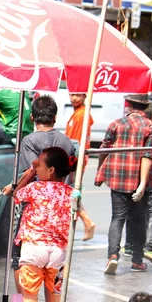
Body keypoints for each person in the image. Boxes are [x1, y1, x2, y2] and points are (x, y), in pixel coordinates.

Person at [2, 95, 75, 302]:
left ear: (32, 117)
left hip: (34, 211)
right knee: (54, 281)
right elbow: (70, 176)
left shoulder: (29, 140)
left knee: (19, 261)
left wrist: (15, 187)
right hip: (60, 212)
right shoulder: (66, 141)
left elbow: (31, 171)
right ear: (55, 117)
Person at [13, 147, 76, 302]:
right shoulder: (71, 193)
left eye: (40, 164)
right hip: (58, 254)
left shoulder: (36, 188)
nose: (37, 166)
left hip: (34, 249)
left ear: (50, 171)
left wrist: (29, 173)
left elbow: (16, 195)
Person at [96, 94, 152, 275]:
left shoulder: (116, 124)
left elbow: (104, 149)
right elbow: (147, 155)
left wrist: (100, 172)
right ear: (146, 107)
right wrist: (142, 184)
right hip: (140, 181)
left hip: (118, 178)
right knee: (139, 221)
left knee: (117, 218)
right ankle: (137, 261)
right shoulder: (150, 126)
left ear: (128, 104)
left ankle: (113, 256)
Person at [122, 103, 152, 266]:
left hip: (128, 178)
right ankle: (147, 247)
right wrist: (149, 160)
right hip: (147, 181)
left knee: (130, 214)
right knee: (151, 214)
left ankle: (128, 246)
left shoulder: (128, 131)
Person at [64, 93, 96, 241]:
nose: (73, 98)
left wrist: (71, 163)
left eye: (77, 95)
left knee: (70, 192)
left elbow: (74, 143)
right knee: (72, 192)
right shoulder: (79, 113)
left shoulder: (81, 115)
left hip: (74, 159)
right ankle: (83, 222)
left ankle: (86, 220)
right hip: (76, 159)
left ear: (84, 96)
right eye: (72, 95)